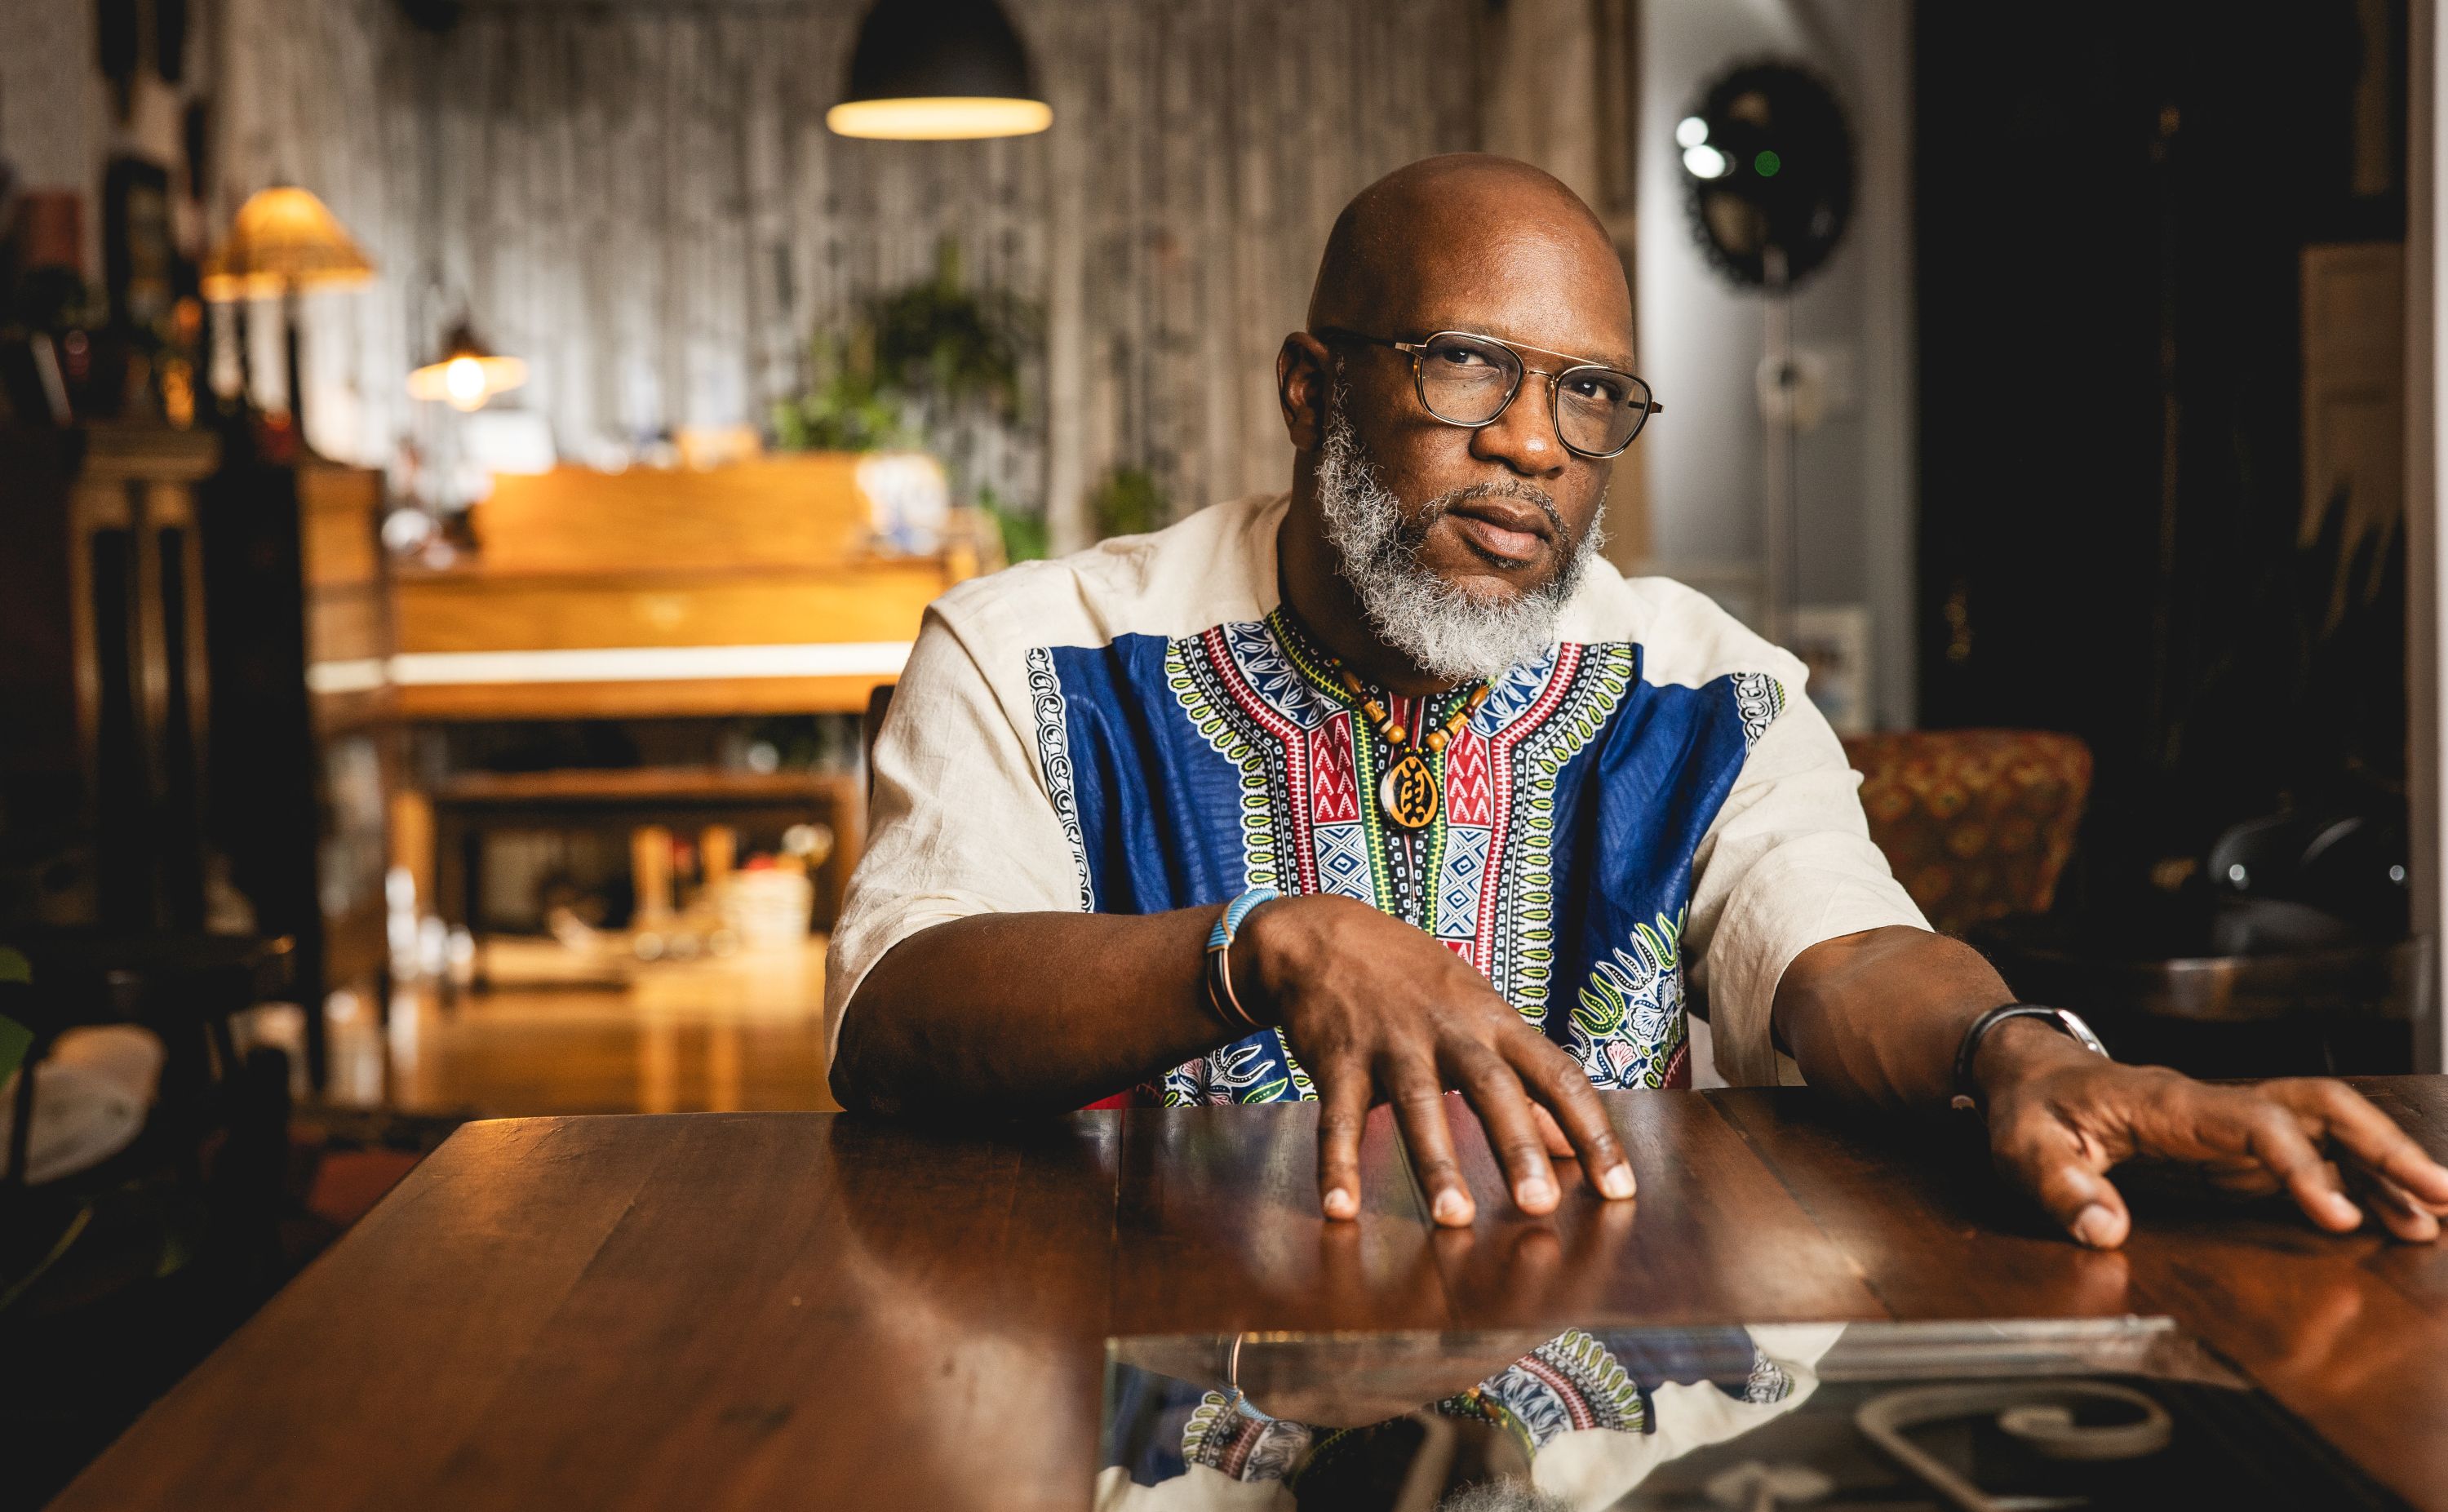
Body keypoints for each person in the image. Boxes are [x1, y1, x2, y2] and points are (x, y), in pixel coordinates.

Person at [826, 153, 2448, 1249]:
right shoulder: (1037, 655)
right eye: (1466, 364)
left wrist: (2021, 1055)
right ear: (1312, 389)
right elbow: (897, 1014)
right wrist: (1267, 946)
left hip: (1591, 1421)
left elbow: (1843, 952)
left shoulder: (1705, 690)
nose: (1534, 442)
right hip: (1149, 1392)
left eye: (1590, 392)